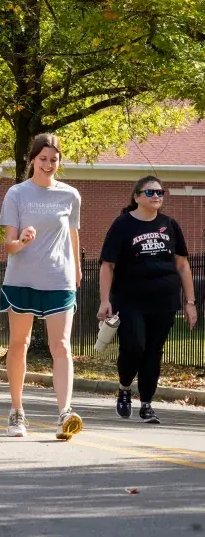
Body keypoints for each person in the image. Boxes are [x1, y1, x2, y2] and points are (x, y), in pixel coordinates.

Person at [0, 134, 83, 440]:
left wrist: (76, 270)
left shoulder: (70, 195)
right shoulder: (17, 194)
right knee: (19, 343)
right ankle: (17, 411)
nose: (48, 164)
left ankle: (64, 414)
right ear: (33, 159)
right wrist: (21, 241)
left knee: (60, 346)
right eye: (43, 159)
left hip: (58, 279)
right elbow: (8, 246)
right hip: (22, 279)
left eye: (54, 159)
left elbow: (73, 235)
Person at [99, 176, 197, 425]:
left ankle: (146, 404)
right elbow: (108, 265)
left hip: (164, 300)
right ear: (137, 197)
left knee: (154, 351)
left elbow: (182, 265)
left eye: (160, 192)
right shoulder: (122, 224)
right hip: (130, 299)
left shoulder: (170, 225)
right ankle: (124, 388)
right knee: (134, 346)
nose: (156, 196)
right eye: (150, 192)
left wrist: (190, 302)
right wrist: (104, 300)